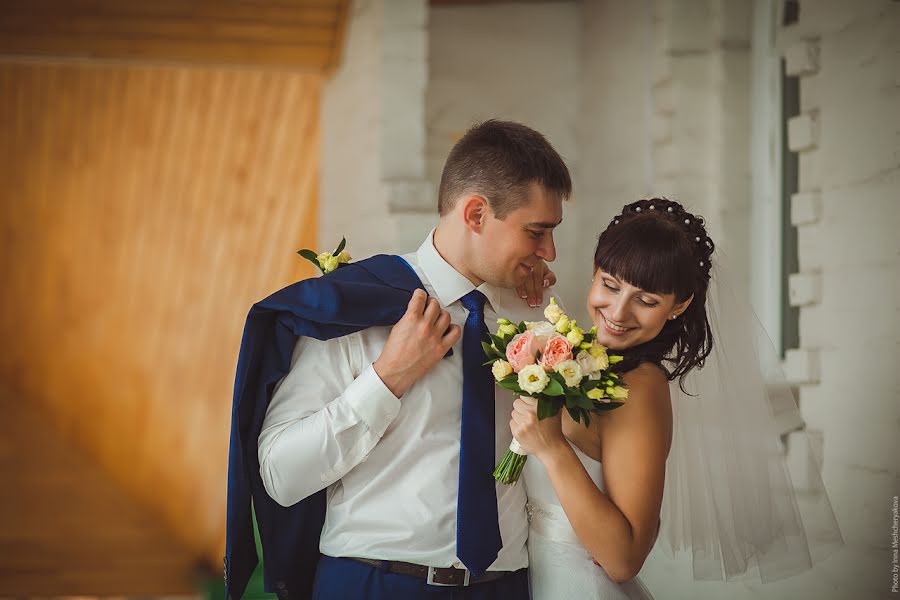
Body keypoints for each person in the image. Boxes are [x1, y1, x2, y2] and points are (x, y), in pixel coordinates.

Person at [255, 119, 570, 600]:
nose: (549, 251)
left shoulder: (537, 314)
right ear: (476, 214)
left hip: (503, 589)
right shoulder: (356, 307)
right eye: (536, 231)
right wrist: (387, 378)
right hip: (372, 585)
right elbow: (280, 476)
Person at [509, 197, 842, 599]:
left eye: (646, 301)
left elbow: (623, 559)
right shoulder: (578, 355)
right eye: (610, 285)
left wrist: (551, 448)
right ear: (595, 272)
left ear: (678, 305)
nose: (617, 311)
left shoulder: (640, 387)